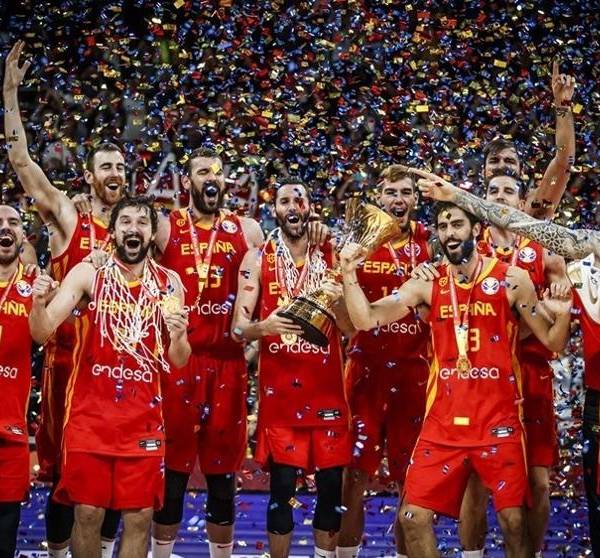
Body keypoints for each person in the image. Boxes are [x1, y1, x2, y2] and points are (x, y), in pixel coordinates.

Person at [340, 200, 572, 558]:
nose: (450, 233)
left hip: (498, 421)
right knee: (412, 517)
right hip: (443, 424)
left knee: (513, 522)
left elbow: (553, 342)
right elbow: (366, 319)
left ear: (476, 231)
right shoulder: (427, 283)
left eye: (457, 224)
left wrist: (564, 312)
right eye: (444, 226)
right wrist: (348, 274)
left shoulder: (512, 280)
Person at [417, 172, 600, 556]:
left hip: (529, 378)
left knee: (537, 486)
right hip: (486, 383)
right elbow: (545, 233)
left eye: (508, 191)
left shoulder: (539, 257)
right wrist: (459, 199)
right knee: (478, 486)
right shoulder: (466, 248)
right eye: (493, 191)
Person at [3, 40, 123, 556]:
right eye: (106, 167)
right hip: (68, 366)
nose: (115, 174)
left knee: (117, 475)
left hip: (120, 368)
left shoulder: (140, 228)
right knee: (60, 478)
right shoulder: (69, 217)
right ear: (90, 176)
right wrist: (10, 93)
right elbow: (22, 161)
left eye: (121, 167)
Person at [29, 196, 191, 558]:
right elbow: (42, 332)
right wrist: (38, 304)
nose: (134, 229)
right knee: (87, 513)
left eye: (142, 223)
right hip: (89, 419)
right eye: (126, 222)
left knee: (140, 517)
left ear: (152, 233)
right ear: (114, 232)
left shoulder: (169, 284)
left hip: (143, 422)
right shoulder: (89, 273)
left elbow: (178, 360)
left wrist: (179, 336)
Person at [149, 147, 264, 558]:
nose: (211, 178)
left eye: (217, 171)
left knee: (223, 478)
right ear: (188, 181)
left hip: (229, 366)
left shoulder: (248, 229)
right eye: (202, 172)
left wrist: (253, 347)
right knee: (173, 475)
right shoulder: (166, 226)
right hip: (179, 361)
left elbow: (271, 288)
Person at [231, 179, 353, 558]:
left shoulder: (332, 254)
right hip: (282, 399)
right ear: (275, 210)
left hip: (327, 395)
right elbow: (238, 329)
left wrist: (339, 303)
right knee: (282, 492)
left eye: (299, 200)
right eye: (284, 201)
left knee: (330, 492)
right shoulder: (257, 259)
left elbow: (352, 328)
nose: (292, 207)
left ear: (310, 207)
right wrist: (264, 327)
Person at [336, 165, 432, 558]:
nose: (398, 199)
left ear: (415, 198)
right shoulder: (359, 242)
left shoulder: (430, 241)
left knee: (411, 478)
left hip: (415, 373)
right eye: (391, 192)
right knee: (354, 476)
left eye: (405, 192)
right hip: (366, 371)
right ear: (379, 197)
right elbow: (340, 310)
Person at [0, 205, 35, 558]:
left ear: (23, 236)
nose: (6, 227)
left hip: (9, 433)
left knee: (4, 535)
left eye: (13, 222)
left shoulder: (35, 289)